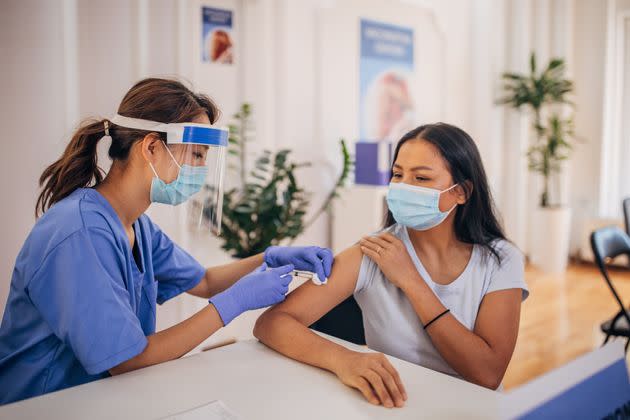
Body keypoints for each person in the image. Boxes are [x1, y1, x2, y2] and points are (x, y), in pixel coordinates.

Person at [0, 78, 333, 404]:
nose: (201, 169)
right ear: (152, 147)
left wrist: (270, 258)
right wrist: (234, 302)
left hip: (97, 400)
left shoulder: (135, 226)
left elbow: (203, 281)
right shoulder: (80, 233)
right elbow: (126, 361)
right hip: (40, 406)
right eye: (197, 155)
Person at [254, 123, 529, 408]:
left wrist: (411, 281)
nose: (403, 187)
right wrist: (344, 360)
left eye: (421, 178)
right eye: (397, 174)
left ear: (461, 192)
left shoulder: (501, 260)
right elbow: (272, 323)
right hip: (396, 406)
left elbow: (487, 373)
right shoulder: (373, 251)